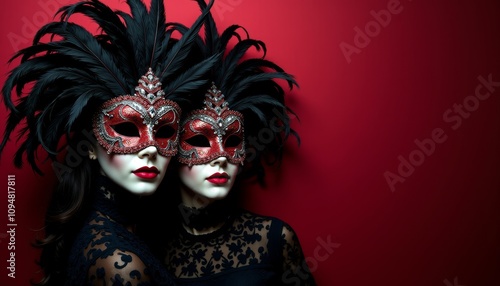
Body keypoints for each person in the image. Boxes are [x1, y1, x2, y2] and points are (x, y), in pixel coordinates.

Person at [0, 0, 217, 284]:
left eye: (164, 132)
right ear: (90, 146)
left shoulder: (112, 231)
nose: (151, 148)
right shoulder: (120, 265)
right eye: (127, 128)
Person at [161, 1, 317, 285]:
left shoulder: (274, 239)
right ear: (170, 148)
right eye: (200, 139)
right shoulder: (149, 247)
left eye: (232, 140)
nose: (221, 157)